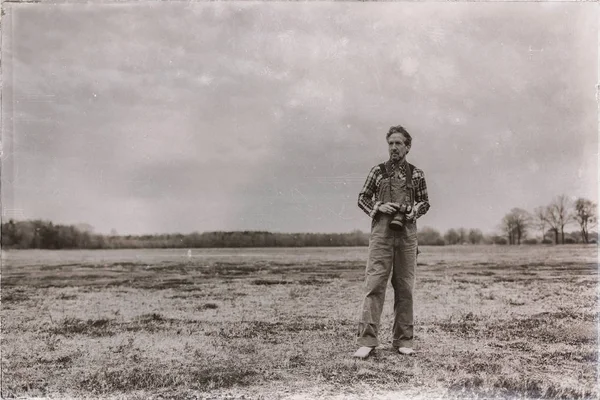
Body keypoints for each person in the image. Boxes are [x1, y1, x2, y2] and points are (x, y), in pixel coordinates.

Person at [353, 125, 430, 359]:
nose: (394, 147)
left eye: (398, 143)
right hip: (381, 236)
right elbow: (362, 198)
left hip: (407, 236)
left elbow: (425, 202)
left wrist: (413, 211)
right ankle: (367, 341)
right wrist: (379, 206)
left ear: (408, 146)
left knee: (405, 288)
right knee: (374, 286)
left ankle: (404, 340)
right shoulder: (378, 171)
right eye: (390, 143)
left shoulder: (416, 174)